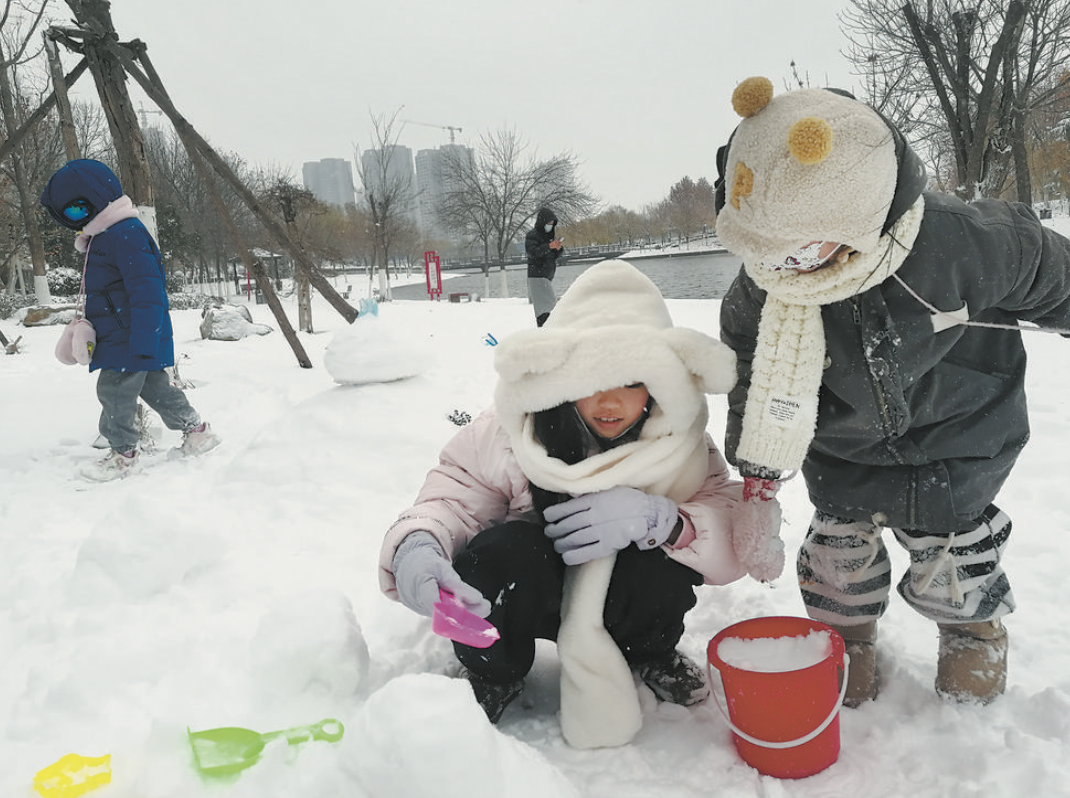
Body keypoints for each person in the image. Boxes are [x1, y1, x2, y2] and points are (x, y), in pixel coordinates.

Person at [713, 76, 1070, 707]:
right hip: (841, 455)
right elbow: (751, 375)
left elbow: (1052, 273)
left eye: (799, 248)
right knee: (837, 572)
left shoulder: (961, 242)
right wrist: (758, 472)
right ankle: (845, 657)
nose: (782, 266)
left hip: (962, 443)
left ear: (855, 212)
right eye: (767, 250)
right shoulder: (762, 289)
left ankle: (971, 660)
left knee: (958, 572)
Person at [379, 260, 770, 740]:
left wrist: (665, 520)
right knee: (495, 556)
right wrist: (417, 544)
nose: (610, 403)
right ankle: (494, 670)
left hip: (625, 594)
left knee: (663, 565)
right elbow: (454, 498)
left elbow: (729, 529)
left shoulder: (682, 444)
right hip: (535, 583)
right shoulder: (513, 430)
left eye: (631, 382)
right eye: (591, 382)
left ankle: (647, 651)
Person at [40, 159, 221, 481]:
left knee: (113, 392)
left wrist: (144, 340)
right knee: (155, 389)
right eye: (68, 215)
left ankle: (123, 455)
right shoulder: (108, 235)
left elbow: (148, 291)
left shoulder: (125, 234)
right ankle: (198, 432)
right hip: (125, 334)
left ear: (97, 198)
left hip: (131, 335)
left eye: (78, 211)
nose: (76, 221)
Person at [525, 206, 564, 326]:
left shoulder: (549, 237)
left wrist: (558, 249)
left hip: (546, 276)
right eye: (548, 223)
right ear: (543, 223)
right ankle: (544, 331)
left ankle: (547, 330)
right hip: (537, 276)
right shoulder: (532, 235)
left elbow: (551, 255)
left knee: (549, 307)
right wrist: (548, 246)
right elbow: (532, 252)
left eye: (552, 224)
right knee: (545, 308)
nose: (550, 226)